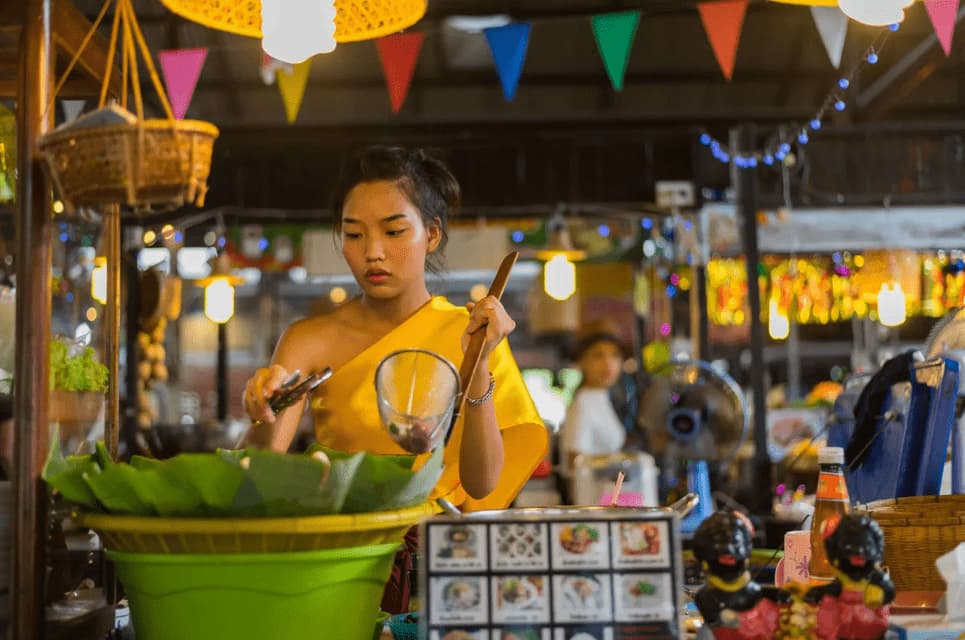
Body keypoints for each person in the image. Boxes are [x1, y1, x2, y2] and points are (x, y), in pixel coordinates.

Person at [241, 145, 547, 513]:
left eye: (394, 231)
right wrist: (263, 412)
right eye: (354, 235)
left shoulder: (472, 333)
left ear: (431, 234)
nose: (373, 252)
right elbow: (253, 479)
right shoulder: (307, 341)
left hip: (433, 552)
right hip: (343, 549)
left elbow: (480, 487)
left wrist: (479, 365)